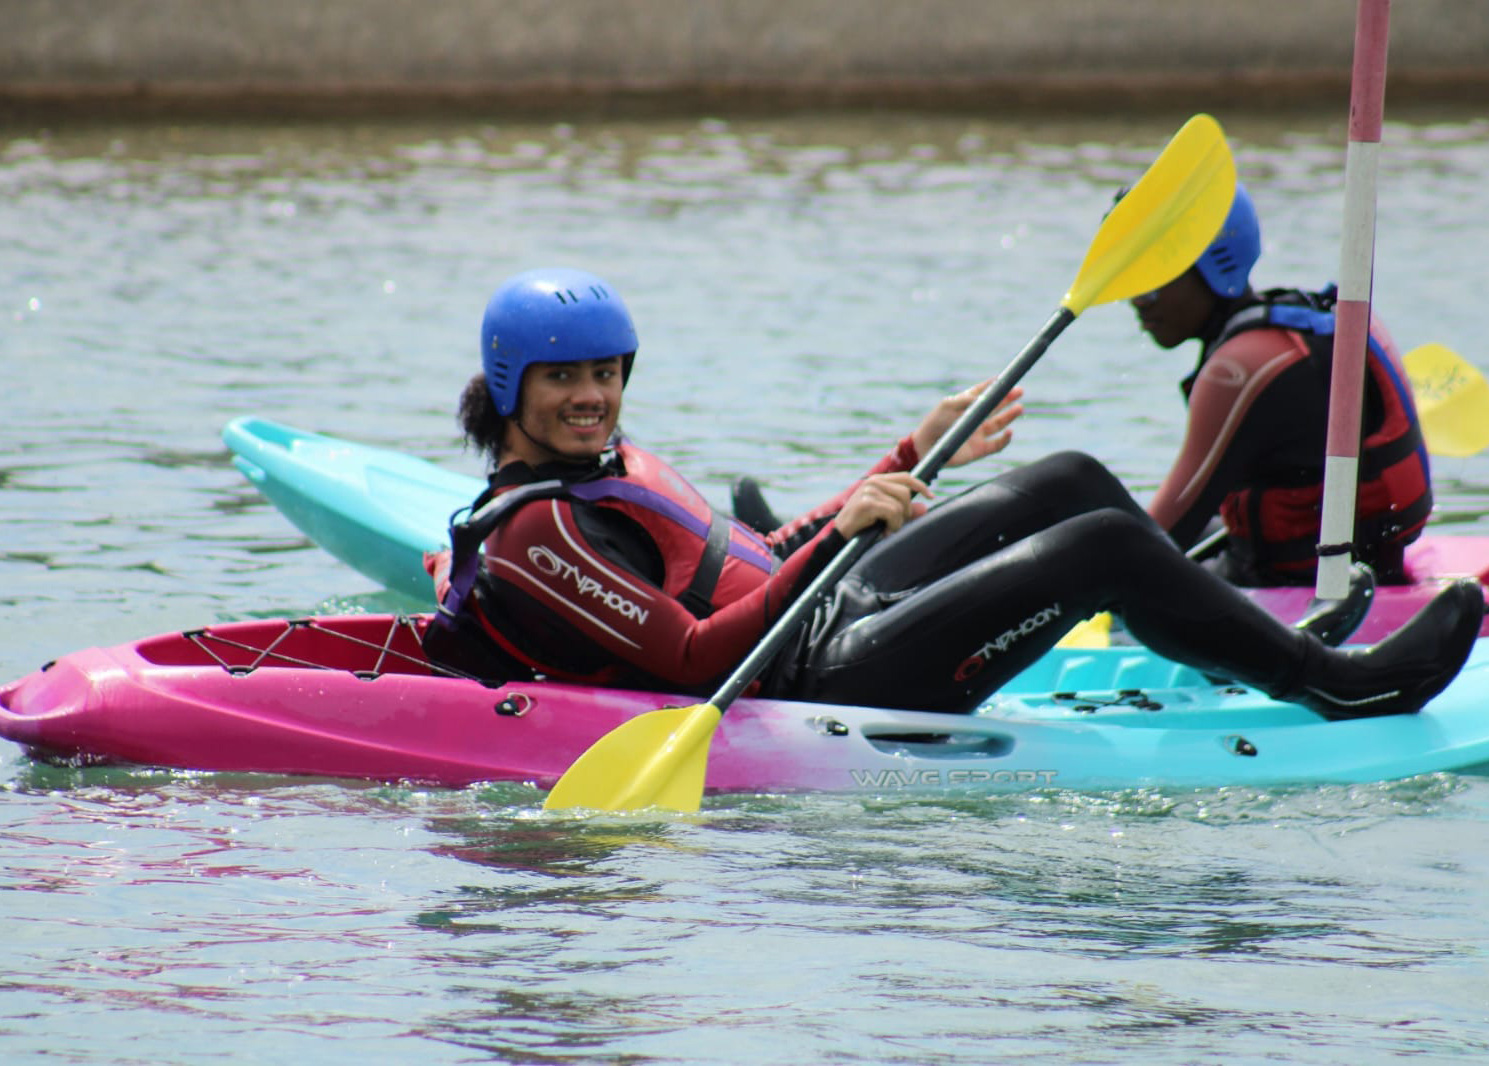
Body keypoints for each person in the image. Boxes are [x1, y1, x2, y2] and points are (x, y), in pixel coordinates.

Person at [421, 266, 1481, 722]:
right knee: (1100, 544)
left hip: (816, 614)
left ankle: (1217, 632)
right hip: (809, 679)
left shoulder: (607, 469)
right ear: (514, 384)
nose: (592, 398)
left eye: (606, 374)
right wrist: (840, 535)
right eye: (565, 378)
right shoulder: (539, 533)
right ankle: (1343, 689)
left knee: (1063, 478)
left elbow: (743, 555)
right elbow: (700, 664)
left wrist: (910, 451)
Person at [1128, 182, 1432, 586]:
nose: (1136, 301)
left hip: (1295, 587)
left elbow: (1159, 540)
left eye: (1151, 282)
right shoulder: (1310, 322)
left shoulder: (1239, 366)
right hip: (1377, 564)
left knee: (1085, 494)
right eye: (1129, 279)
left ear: (1214, 267)